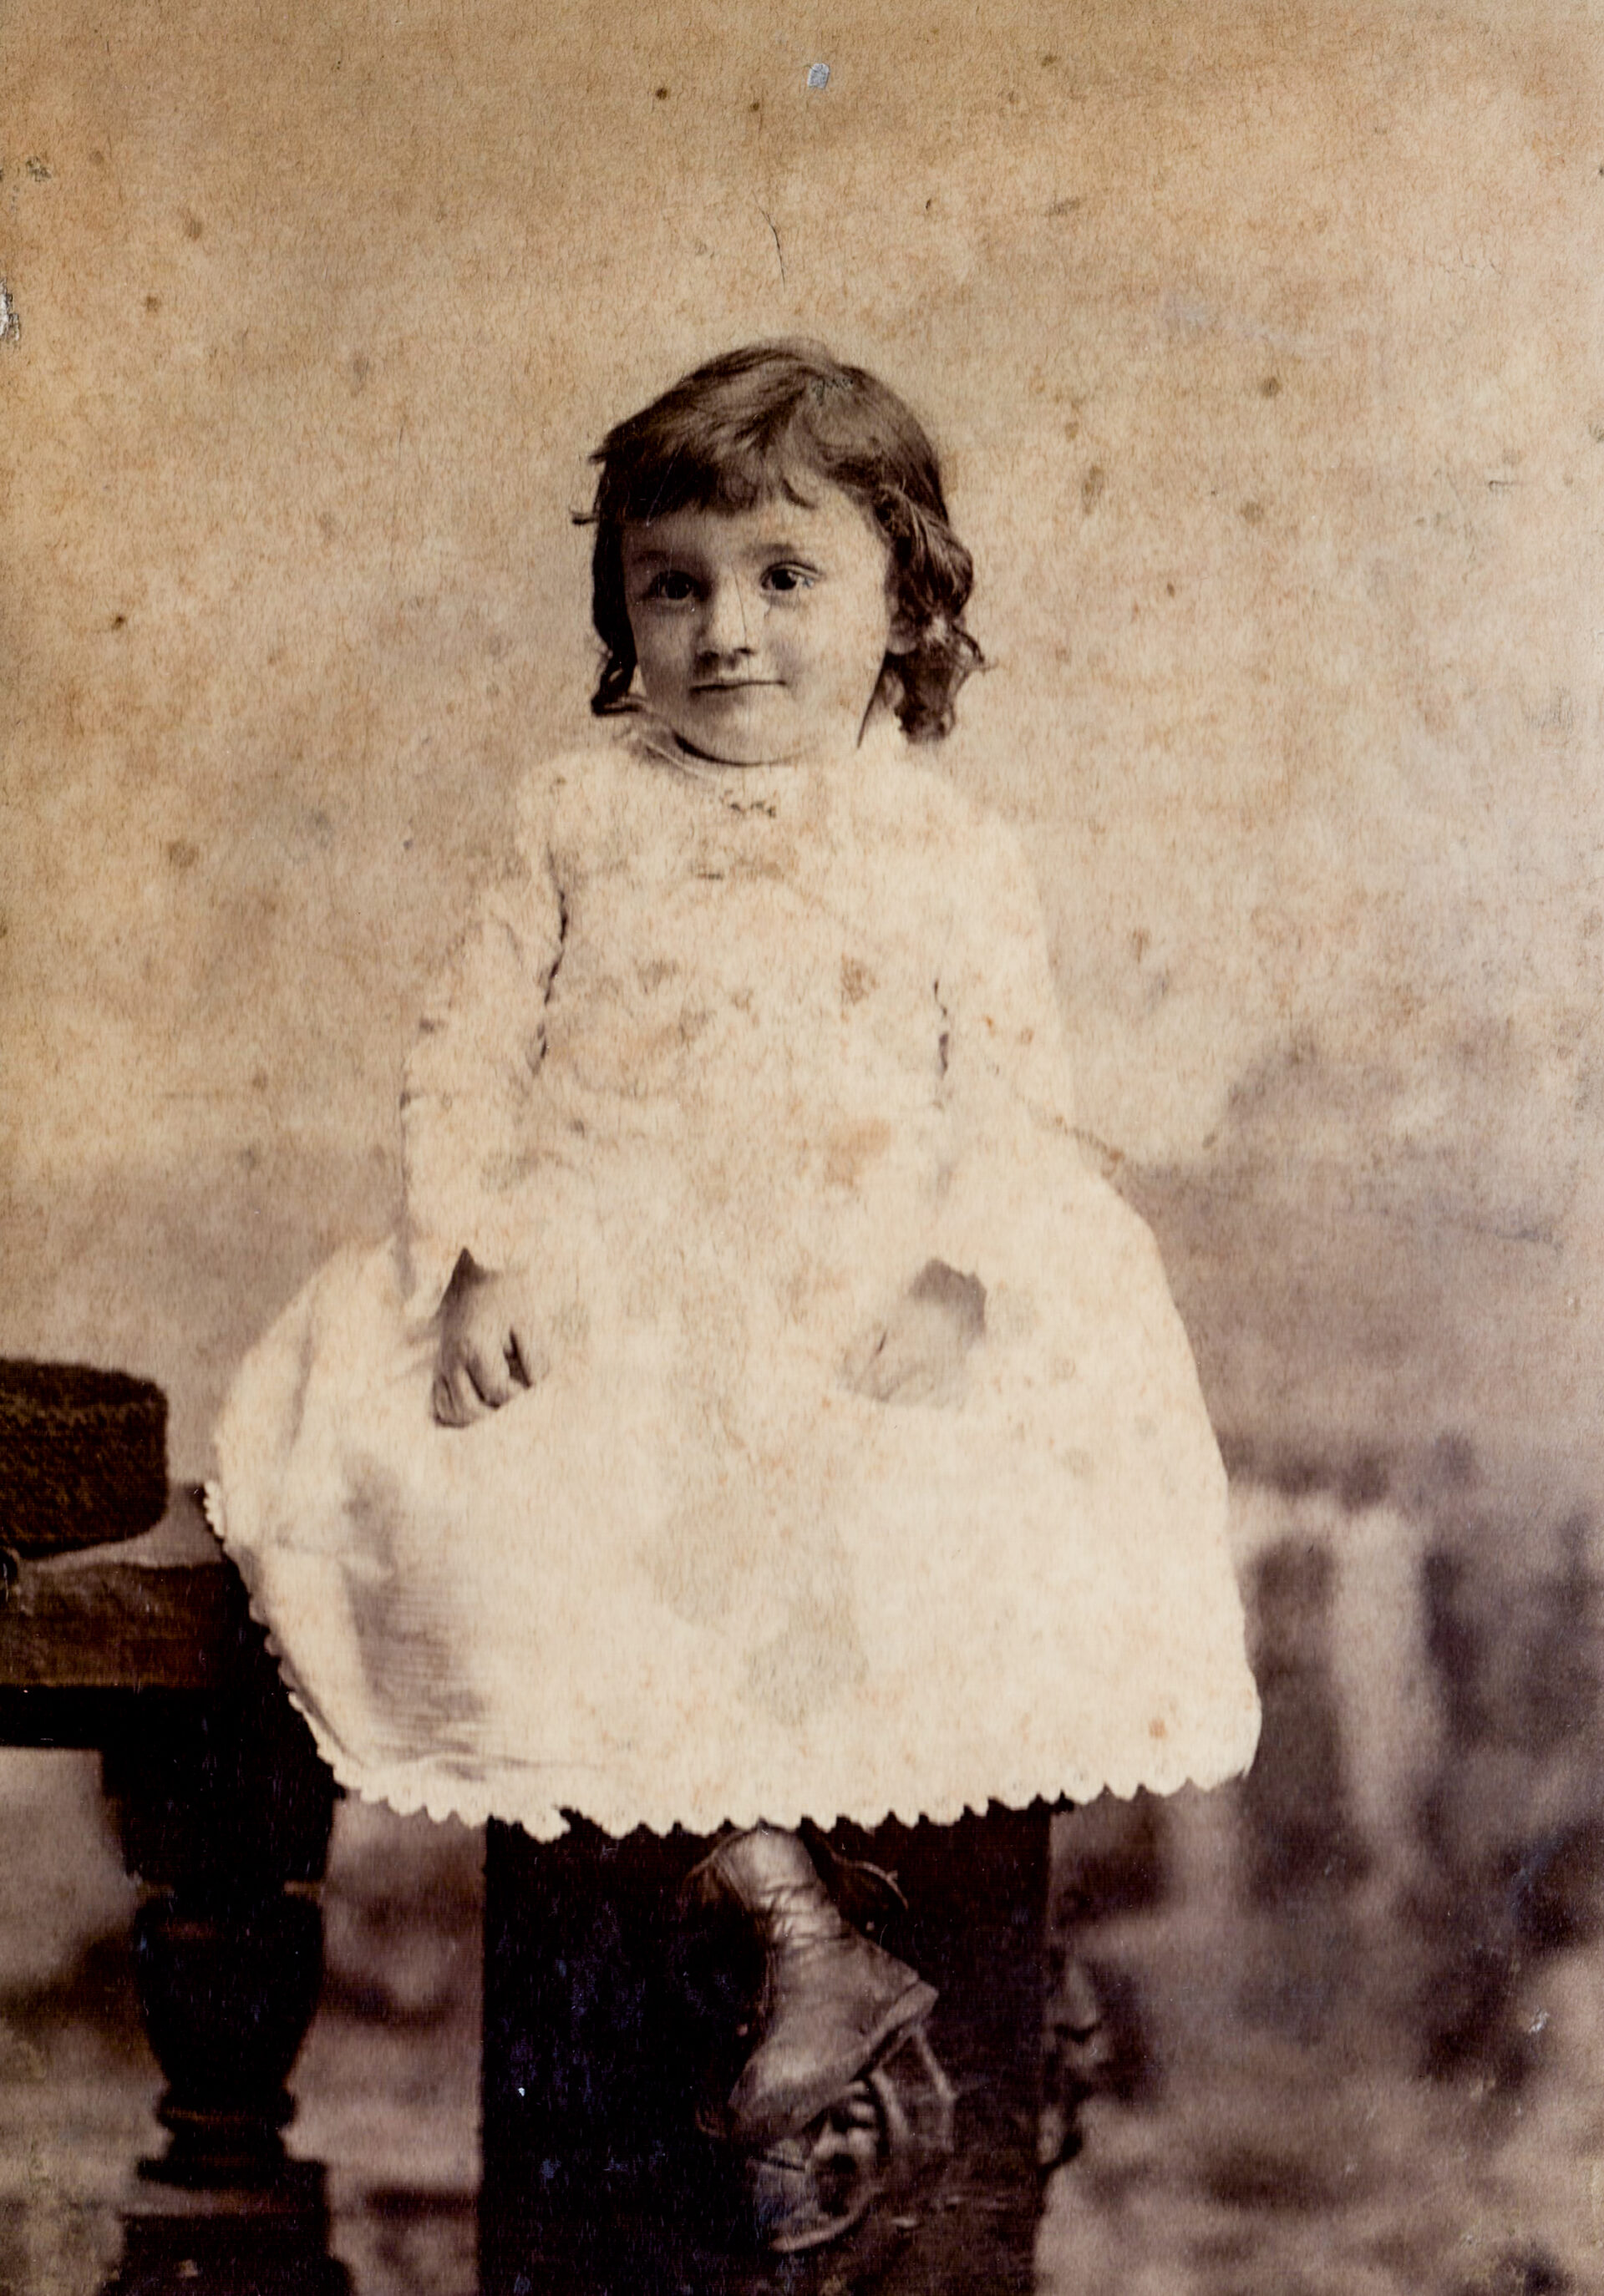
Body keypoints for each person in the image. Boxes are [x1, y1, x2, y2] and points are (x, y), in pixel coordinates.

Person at [212, 340, 1258, 2188]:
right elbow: (467, 1051)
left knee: (927, 1510)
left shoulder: (945, 846)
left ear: (905, 599)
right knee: (498, 1505)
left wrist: (958, 1270)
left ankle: (997, 1958)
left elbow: (1015, 1099)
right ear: (620, 607)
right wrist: (484, 1254)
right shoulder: (575, 815)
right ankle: (798, 1931)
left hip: (859, 1279)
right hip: (615, 1269)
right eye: (671, 584)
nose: (726, 633)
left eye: (787, 578)